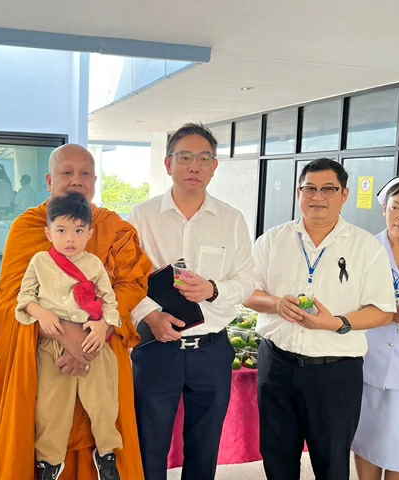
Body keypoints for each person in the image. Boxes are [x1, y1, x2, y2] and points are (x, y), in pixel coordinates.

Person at [0, 144, 151, 480]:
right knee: (49, 422)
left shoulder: (114, 227)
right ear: (50, 180)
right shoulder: (29, 226)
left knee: (104, 418)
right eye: (67, 172)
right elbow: (10, 300)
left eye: (85, 173)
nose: (76, 180)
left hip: (101, 346)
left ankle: (105, 458)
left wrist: (96, 335)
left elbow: (131, 285)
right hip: (47, 351)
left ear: (94, 181)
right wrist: (70, 339)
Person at [245, 158, 396, 480]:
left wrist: (337, 322)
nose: (318, 196)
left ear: (344, 195)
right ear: (298, 193)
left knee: (332, 462)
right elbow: (247, 292)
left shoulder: (366, 247)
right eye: (309, 188)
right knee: (277, 455)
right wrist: (275, 304)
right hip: (277, 364)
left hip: (335, 372)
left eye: (329, 189)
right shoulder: (273, 239)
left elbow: (383, 311)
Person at [128, 123, 258, 480]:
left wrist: (212, 290)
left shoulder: (231, 219)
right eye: (184, 157)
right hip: (156, 348)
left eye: (203, 158)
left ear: (214, 166)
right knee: (148, 444)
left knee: (204, 446)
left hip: (210, 351)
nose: (194, 166)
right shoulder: (142, 216)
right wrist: (150, 315)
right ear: (168, 164)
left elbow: (247, 281)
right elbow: (125, 278)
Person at [16, 191, 123, 479]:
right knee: (51, 408)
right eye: (61, 230)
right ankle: (50, 462)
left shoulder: (94, 264)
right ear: (48, 233)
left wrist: (103, 325)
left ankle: (106, 453)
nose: (70, 239)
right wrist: (42, 313)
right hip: (52, 346)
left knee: (103, 403)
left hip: (93, 344)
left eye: (78, 231)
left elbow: (110, 302)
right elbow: (24, 298)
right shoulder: (39, 261)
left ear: (89, 233)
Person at [352, 176, 399, 480]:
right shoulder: (363, 249)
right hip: (366, 365)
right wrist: (387, 315)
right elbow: (344, 301)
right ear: (384, 210)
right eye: (396, 207)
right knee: (366, 442)